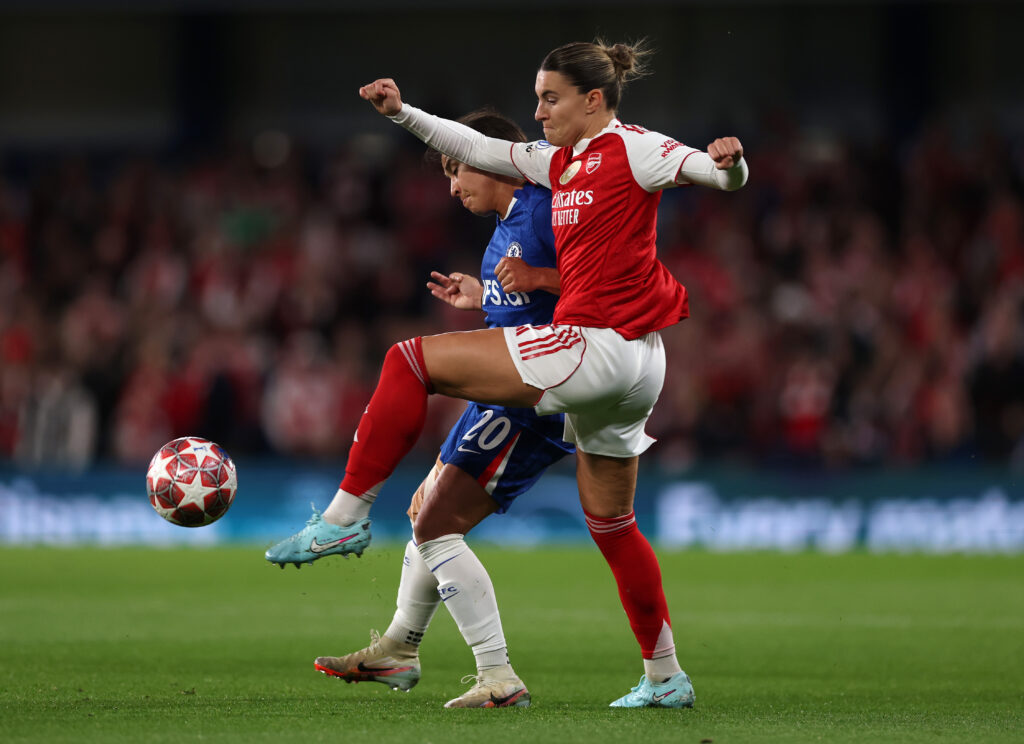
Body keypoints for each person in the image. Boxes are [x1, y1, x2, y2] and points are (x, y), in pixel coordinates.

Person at [272, 38, 747, 709]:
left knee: (407, 361)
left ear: (593, 98)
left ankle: (348, 517)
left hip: (597, 345)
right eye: (536, 98)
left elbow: (708, 172)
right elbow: (479, 148)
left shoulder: (633, 148)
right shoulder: (556, 165)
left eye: (550, 98)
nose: (540, 110)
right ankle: (665, 676)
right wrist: (402, 112)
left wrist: (731, 168)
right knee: (612, 525)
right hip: (639, 360)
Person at [266, 110, 574, 708]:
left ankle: (498, 677)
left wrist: (540, 279)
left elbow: (597, 287)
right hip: (506, 393)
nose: (453, 186)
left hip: (535, 397)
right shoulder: (505, 230)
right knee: (424, 515)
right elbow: (523, 310)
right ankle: (400, 649)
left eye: (458, 169)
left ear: (493, 158)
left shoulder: (547, 211)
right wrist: (485, 296)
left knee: (435, 525)